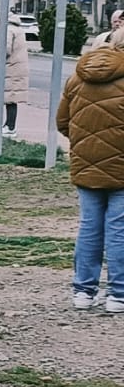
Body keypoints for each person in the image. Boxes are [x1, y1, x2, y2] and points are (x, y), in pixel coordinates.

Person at [55, 39, 124, 311]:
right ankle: (118, 295)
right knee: (119, 231)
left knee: (89, 228)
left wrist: (86, 144)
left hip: (85, 165)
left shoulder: (77, 77)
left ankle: (83, 292)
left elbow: (63, 122)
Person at [0, 15, 31, 133]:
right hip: (19, 66)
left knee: (10, 97)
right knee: (12, 96)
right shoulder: (19, 30)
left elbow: (6, 50)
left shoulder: (8, 30)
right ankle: (8, 124)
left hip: (11, 66)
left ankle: (10, 127)